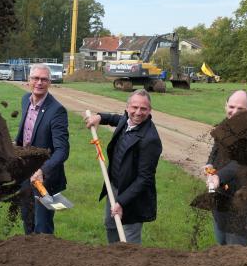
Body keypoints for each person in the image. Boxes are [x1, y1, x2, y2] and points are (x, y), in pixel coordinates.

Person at [84, 89, 162, 244]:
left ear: (150, 110)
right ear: (127, 108)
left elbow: (144, 178)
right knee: (111, 225)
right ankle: (114, 260)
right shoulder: (127, 120)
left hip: (132, 195)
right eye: (134, 107)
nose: (138, 112)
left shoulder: (150, 139)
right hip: (113, 185)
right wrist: (99, 117)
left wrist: (122, 202)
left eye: (143, 109)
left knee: (128, 236)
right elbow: (115, 119)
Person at [14, 63, 69, 235]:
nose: (39, 82)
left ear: (49, 83)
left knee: (42, 227)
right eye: (35, 78)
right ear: (28, 80)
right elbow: (26, 134)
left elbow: (62, 150)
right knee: (28, 221)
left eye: (44, 79)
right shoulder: (26, 100)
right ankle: (30, 260)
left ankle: (48, 262)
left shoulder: (57, 110)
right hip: (26, 173)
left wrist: (42, 171)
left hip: (45, 178)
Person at [204, 90, 247, 246]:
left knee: (235, 254)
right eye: (232, 107)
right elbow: (215, 150)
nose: (235, 112)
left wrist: (218, 176)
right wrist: (210, 164)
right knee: (221, 245)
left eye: (241, 109)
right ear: (225, 106)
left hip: (241, 204)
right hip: (220, 198)